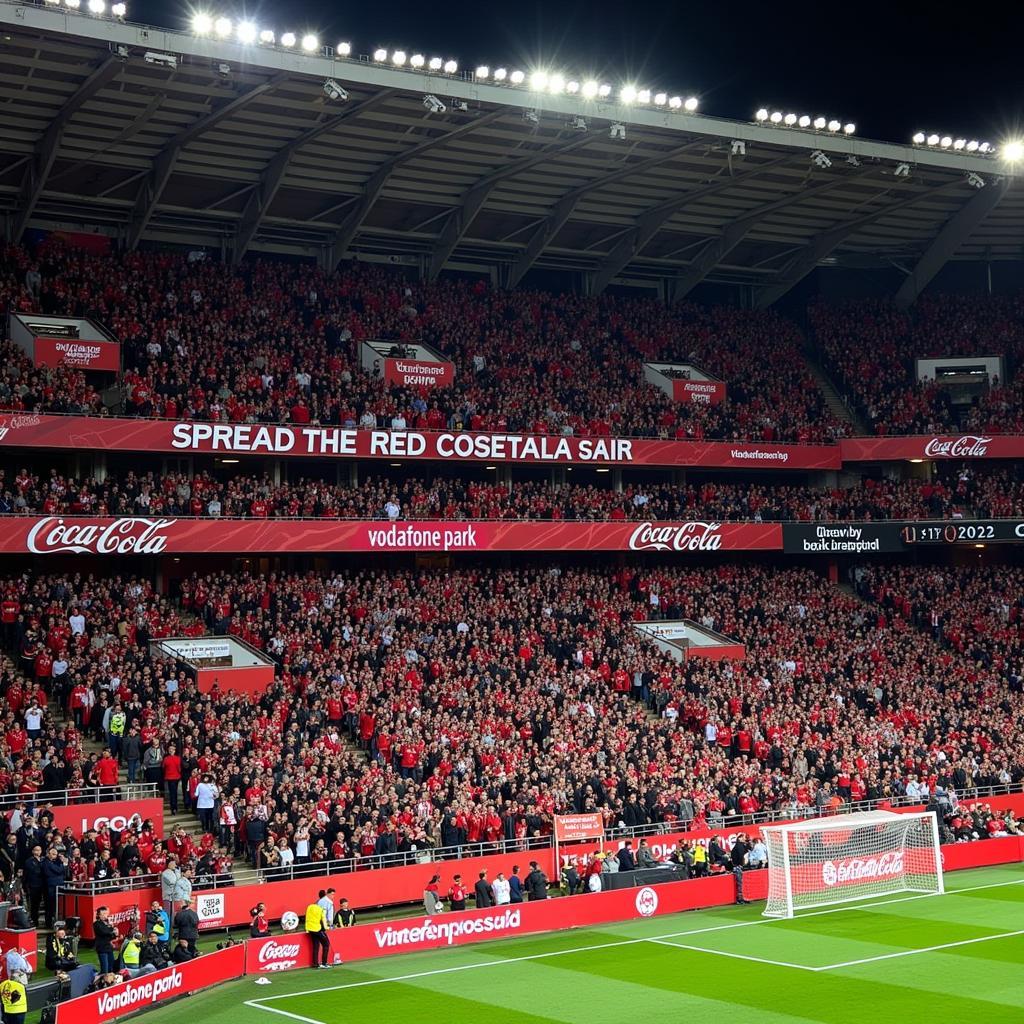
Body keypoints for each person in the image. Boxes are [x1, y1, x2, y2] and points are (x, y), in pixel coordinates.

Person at [304, 896, 329, 969]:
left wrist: (307, 928)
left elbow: (307, 917)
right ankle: (324, 963)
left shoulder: (309, 907)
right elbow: (324, 920)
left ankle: (315, 964)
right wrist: (327, 927)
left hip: (310, 929)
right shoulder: (322, 909)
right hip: (317, 929)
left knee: (316, 946)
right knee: (326, 944)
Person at [93, 906, 119, 975]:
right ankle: (101, 982)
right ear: (98, 915)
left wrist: (115, 933)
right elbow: (103, 932)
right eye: (103, 914)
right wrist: (112, 930)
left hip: (109, 948)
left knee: (111, 967)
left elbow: (112, 936)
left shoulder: (108, 924)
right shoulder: (97, 924)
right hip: (102, 948)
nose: (105, 916)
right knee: (105, 969)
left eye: (106, 913)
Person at [731, 834, 751, 905]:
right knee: (739, 883)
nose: (744, 839)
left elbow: (747, 850)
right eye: (744, 838)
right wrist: (741, 864)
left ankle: (741, 898)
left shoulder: (740, 846)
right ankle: (740, 899)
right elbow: (741, 855)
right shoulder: (739, 846)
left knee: (740, 883)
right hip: (738, 867)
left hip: (738, 866)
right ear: (740, 838)